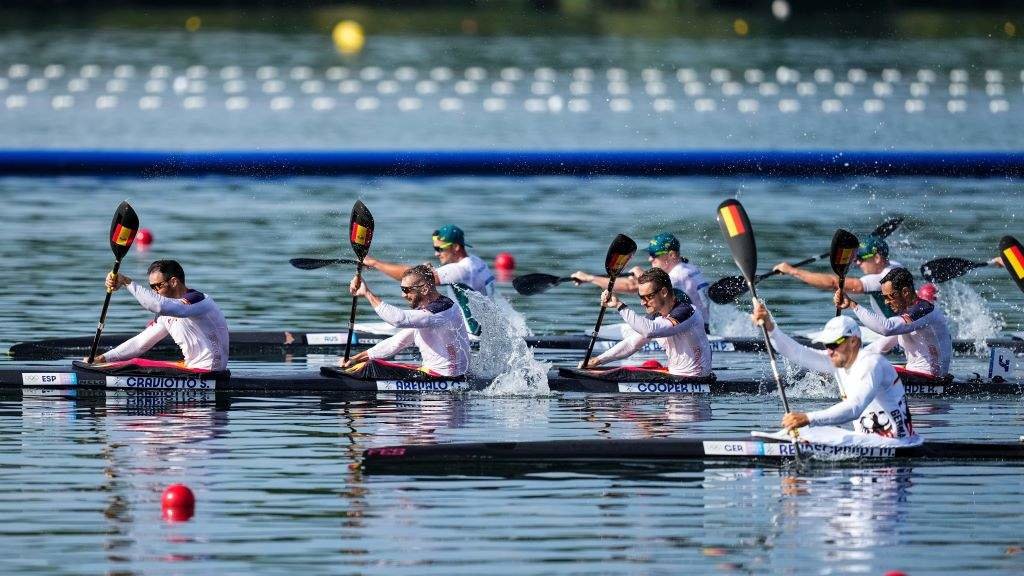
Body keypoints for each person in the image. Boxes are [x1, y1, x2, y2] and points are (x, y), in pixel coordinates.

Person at [751, 302, 917, 441]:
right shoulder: (837, 361)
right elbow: (796, 352)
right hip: (867, 443)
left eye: (834, 344)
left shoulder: (872, 364)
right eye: (826, 345)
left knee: (809, 430)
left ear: (853, 341)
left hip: (896, 444)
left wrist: (808, 418)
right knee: (802, 433)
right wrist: (771, 328)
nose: (829, 350)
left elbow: (855, 408)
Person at [87, 260, 229, 371]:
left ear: (173, 282)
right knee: (130, 364)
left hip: (209, 372)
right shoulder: (166, 314)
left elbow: (158, 305)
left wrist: (126, 282)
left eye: (158, 286)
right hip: (192, 368)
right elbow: (140, 343)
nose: (155, 292)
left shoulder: (198, 300)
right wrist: (103, 359)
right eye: (151, 287)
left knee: (134, 367)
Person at [340, 264, 470, 377]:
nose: (403, 295)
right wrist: (355, 359)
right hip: (437, 374)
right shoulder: (431, 312)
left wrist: (367, 293)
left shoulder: (439, 312)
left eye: (406, 290)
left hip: (443, 378)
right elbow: (396, 343)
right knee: (366, 364)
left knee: (371, 367)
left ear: (424, 289)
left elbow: (399, 319)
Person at [362, 224, 495, 334]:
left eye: (440, 248)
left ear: (455, 247)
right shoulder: (476, 261)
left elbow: (413, 279)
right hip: (483, 328)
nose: (436, 253)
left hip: (470, 333)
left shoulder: (460, 270)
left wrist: (375, 263)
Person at [582, 268, 712, 378]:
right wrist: (599, 360)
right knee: (650, 364)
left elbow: (649, 330)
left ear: (664, 292)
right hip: (675, 375)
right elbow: (631, 344)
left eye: (647, 297)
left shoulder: (686, 312)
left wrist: (619, 305)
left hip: (694, 379)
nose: (642, 302)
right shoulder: (656, 316)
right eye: (640, 297)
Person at [572, 232, 711, 332]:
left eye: (654, 255)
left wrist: (589, 278)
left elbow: (631, 286)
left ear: (672, 255)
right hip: (699, 325)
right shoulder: (690, 268)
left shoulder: (678, 275)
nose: (650, 259)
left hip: (691, 329)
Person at [835, 267, 952, 380]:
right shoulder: (908, 317)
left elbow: (886, 328)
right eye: (884, 297)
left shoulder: (923, 310)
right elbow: (880, 346)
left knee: (864, 368)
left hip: (931, 379)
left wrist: (852, 304)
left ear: (905, 292)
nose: (886, 302)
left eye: (889, 297)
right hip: (915, 374)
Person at [774, 236, 902, 317]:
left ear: (877, 258)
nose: (856, 263)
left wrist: (792, 271)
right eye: (856, 258)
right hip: (900, 327)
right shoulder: (897, 266)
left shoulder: (880, 280)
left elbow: (834, 283)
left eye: (861, 259)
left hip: (898, 337)